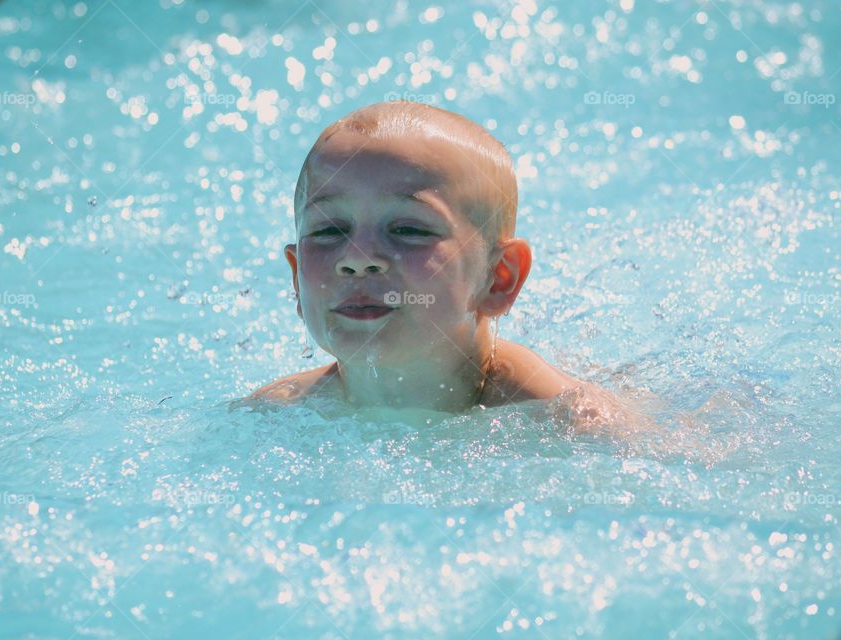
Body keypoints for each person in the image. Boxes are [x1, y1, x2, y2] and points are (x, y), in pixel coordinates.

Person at [248, 100, 641, 432]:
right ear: (297, 278)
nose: (357, 258)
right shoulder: (272, 417)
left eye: (407, 229)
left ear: (499, 277)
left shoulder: (568, 422)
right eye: (329, 231)